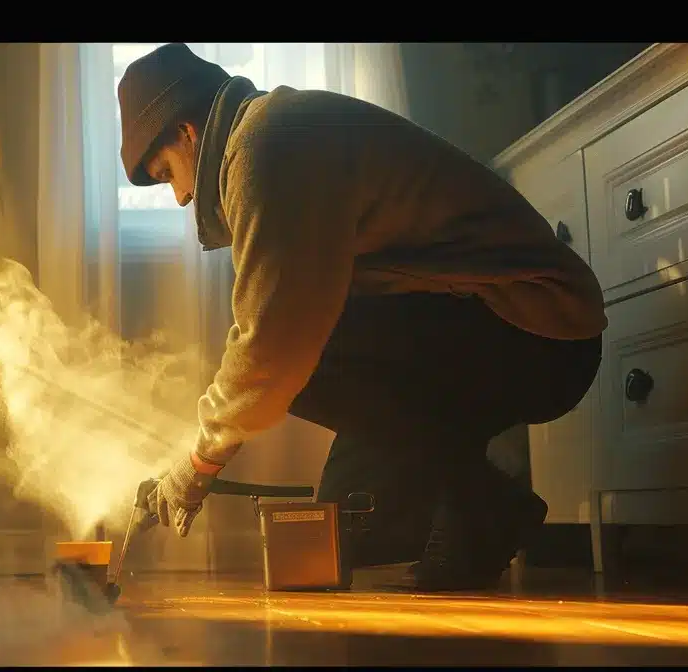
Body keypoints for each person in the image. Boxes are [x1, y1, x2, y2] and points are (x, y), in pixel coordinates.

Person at [125, 44, 606, 592]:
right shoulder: (269, 134)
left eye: (166, 174)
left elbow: (272, 347)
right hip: (499, 325)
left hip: (541, 330)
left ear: (188, 134)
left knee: (299, 358)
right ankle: (471, 507)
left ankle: (479, 505)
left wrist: (198, 464)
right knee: (348, 519)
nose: (182, 196)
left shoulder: (265, 144)